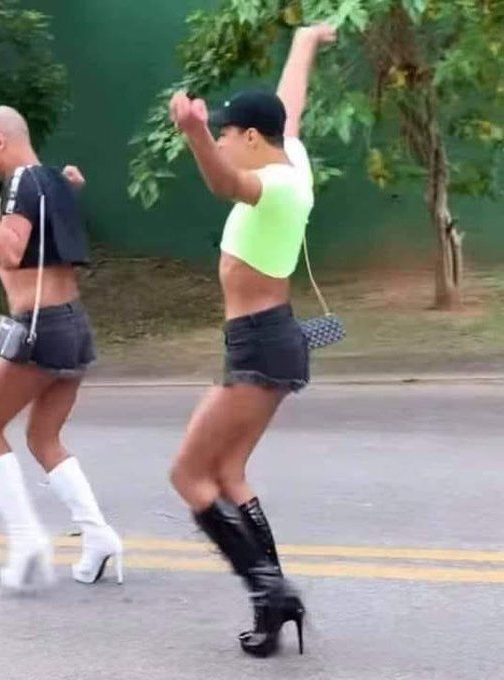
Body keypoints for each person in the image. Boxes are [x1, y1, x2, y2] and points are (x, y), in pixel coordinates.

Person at [168, 24, 336, 656]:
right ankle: (274, 603)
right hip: (265, 340)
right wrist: (305, 41)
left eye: (225, 134)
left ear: (251, 139)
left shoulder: (275, 186)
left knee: (189, 475)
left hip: (261, 344)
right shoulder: (289, 157)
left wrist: (191, 132)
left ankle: (271, 594)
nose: (220, 142)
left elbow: (223, 185)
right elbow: (290, 104)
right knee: (228, 471)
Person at [0, 105, 123, 593]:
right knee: (43, 437)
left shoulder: (20, 183)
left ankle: (26, 537)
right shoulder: (54, 180)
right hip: (73, 323)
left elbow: (10, 251)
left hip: (41, 326)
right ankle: (99, 537)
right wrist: (69, 187)